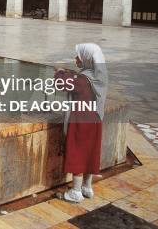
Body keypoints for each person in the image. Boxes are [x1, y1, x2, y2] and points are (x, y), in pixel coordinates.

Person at [54, 43, 107, 203]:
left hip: (81, 121)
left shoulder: (83, 80)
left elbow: (62, 84)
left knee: (78, 151)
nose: (76, 58)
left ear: (87, 59)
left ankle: (76, 192)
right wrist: (71, 73)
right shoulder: (97, 76)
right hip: (95, 121)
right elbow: (78, 79)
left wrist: (59, 73)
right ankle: (87, 187)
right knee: (90, 151)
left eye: (79, 56)